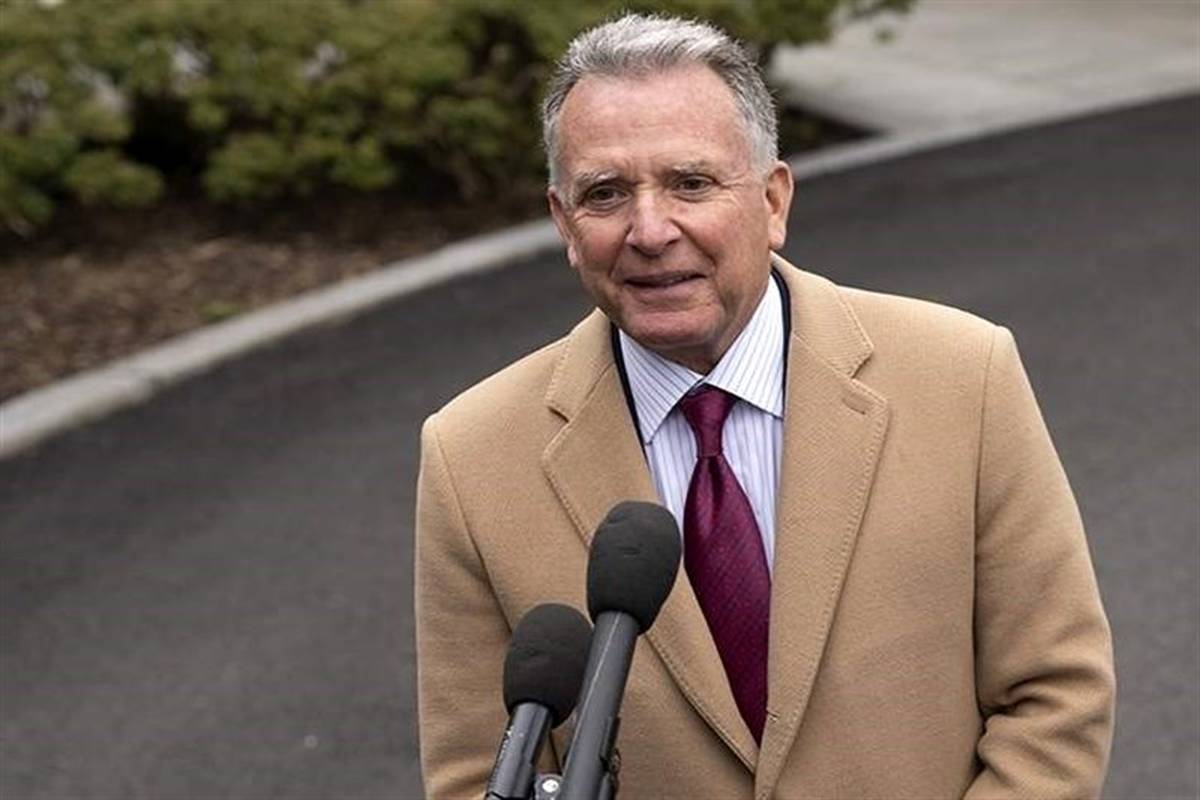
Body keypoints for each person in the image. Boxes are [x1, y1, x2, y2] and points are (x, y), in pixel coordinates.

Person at [415, 13, 1115, 799]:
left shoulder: (963, 376)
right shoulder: (470, 457)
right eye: (605, 194)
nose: (651, 230)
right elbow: (478, 772)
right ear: (565, 224)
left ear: (774, 201)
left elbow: (1055, 695)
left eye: (691, 183)